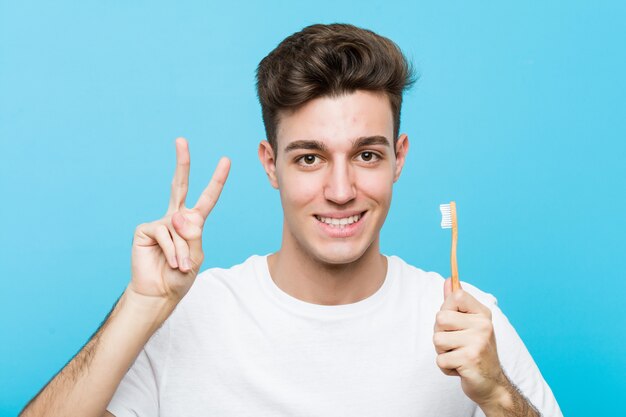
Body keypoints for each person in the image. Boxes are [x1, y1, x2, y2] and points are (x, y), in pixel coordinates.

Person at [21, 23, 562, 417]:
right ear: (270, 164)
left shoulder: (467, 324)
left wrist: (496, 396)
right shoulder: (187, 318)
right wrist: (142, 307)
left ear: (399, 158)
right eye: (309, 157)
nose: (341, 190)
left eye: (367, 156)